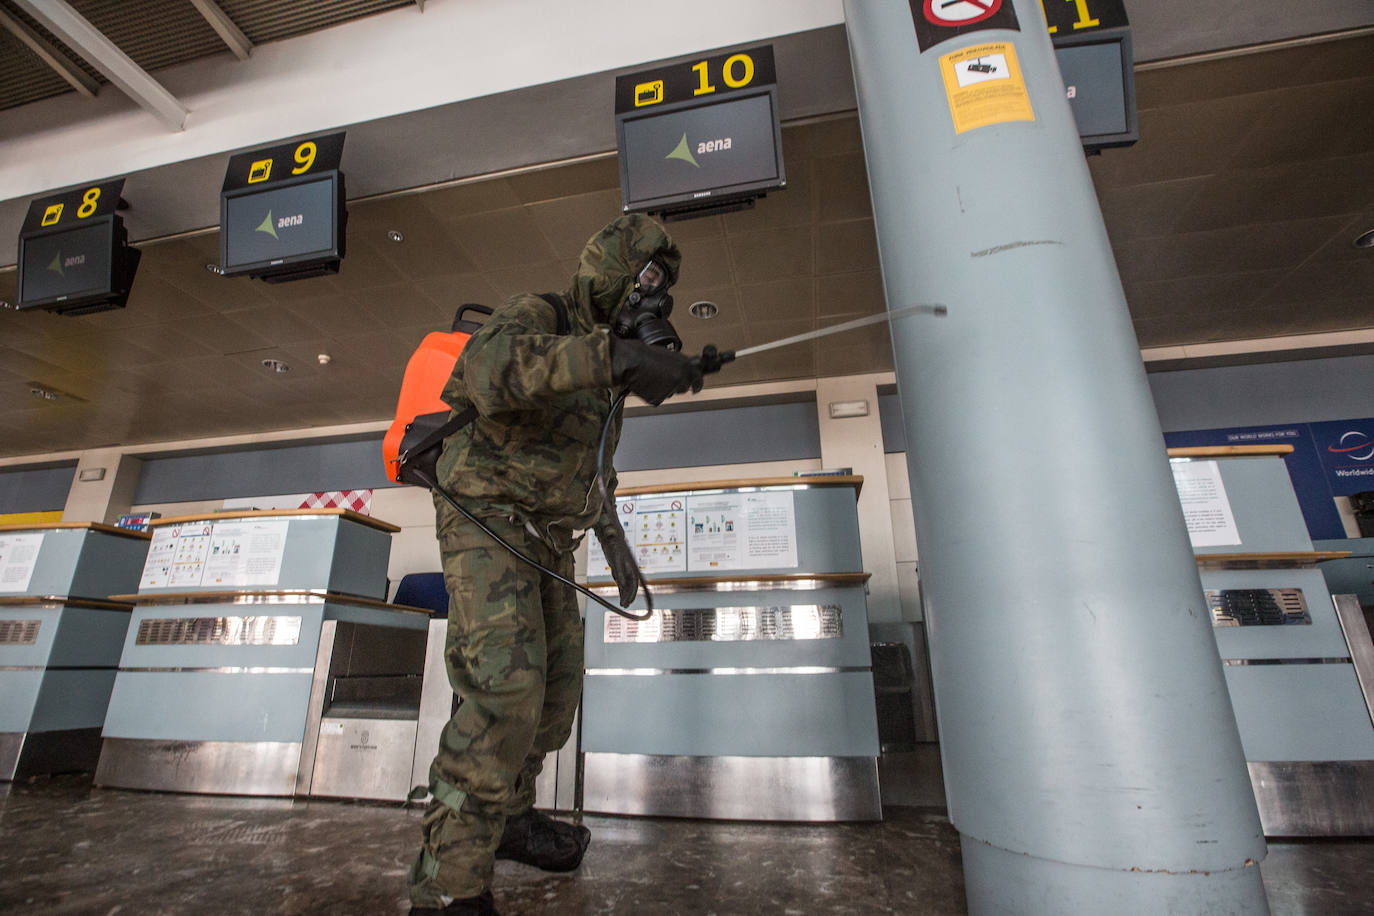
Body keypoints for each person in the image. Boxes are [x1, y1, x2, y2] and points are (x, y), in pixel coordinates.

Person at [408, 214, 703, 916]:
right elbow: (485, 372)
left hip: (547, 536)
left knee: (556, 695)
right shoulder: (542, 314)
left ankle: (509, 819)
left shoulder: (606, 377)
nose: (651, 292)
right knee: (503, 695)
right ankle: (445, 885)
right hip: (485, 515)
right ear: (609, 268)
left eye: (661, 284)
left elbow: (589, 471)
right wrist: (613, 357)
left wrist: (616, 545)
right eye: (644, 276)